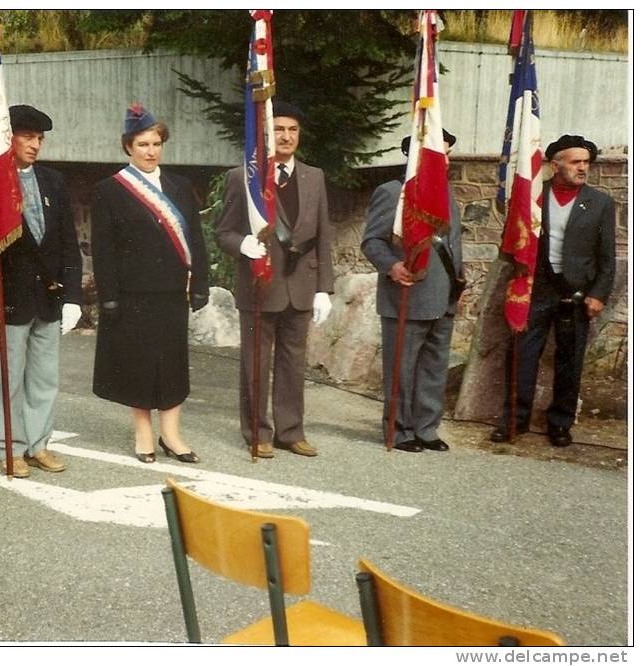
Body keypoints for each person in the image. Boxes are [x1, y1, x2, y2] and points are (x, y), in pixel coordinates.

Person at [215, 99, 333, 459]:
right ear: (267, 133)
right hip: (260, 285)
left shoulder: (315, 177)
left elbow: (323, 236)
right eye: (279, 129)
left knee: (293, 363)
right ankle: (257, 432)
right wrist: (243, 244)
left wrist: (324, 288)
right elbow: (224, 231)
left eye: (292, 130)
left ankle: (290, 431)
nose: (286, 136)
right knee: (257, 364)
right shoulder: (245, 178)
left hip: (301, 285)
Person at [91, 103, 209, 464]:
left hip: (173, 291)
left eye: (156, 143)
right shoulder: (110, 190)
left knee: (173, 362)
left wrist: (201, 282)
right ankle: (144, 434)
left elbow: (196, 238)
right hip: (133, 294)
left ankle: (171, 434)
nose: (151, 151)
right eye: (142, 144)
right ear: (128, 146)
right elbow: (103, 249)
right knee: (139, 364)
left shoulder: (180, 185)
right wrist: (108, 295)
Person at [490, 135, 616, 447]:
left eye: (586, 162)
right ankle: (514, 421)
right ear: (554, 164)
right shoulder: (533, 197)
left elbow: (607, 257)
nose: (583, 168)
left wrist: (598, 294)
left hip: (576, 292)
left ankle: (560, 423)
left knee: (569, 361)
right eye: (576, 162)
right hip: (536, 288)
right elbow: (513, 241)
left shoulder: (600, 203)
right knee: (522, 355)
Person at [0, 105, 83, 478]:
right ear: (8, 136)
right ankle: (9, 447)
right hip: (10, 294)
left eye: (39, 138)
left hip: (49, 296)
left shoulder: (53, 181)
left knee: (44, 378)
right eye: (27, 135)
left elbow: (68, 244)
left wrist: (73, 295)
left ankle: (38, 444)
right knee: (8, 379)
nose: (35, 144)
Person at [361, 130, 464, 453]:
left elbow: (451, 245)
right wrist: (391, 266)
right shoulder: (393, 193)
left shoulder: (446, 192)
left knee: (434, 367)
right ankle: (401, 429)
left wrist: (458, 280)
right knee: (401, 369)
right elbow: (372, 241)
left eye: (446, 154)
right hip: (406, 293)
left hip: (443, 293)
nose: (443, 161)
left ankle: (427, 427)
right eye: (438, 153)